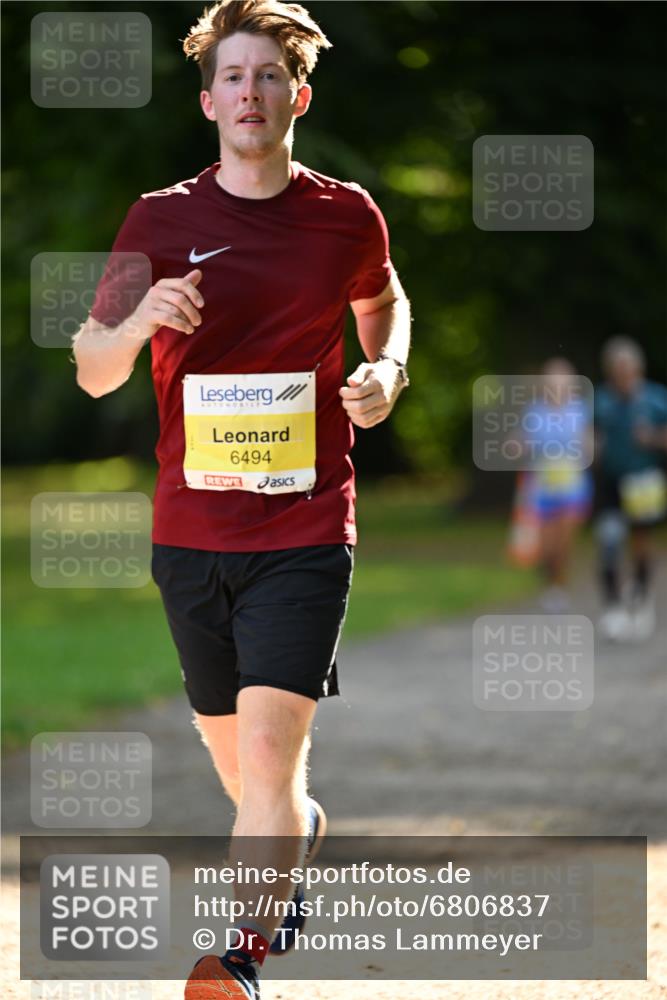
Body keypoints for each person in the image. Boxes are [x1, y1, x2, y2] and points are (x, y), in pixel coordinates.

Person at [73, 2, 411, 996]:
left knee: (266, 753)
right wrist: (139, 317)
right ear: (209, 101)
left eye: (269, 76)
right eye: (233, 76)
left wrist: (386, 368)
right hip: (190, 531)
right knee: (247, 775)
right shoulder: (158, 219)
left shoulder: (345, 215)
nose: (250, 92)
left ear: (297, 97)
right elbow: (92, 368)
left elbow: (383, 300)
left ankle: (242, 958)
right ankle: (295, 829)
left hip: (305, 524)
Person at [594, 337, 667, 641]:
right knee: (609, 541)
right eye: (617, 369)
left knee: (641, 541)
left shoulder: (656, 398)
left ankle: (641, 596)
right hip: (611, 482)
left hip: (644, 482)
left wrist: (653, 438)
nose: (623, 375)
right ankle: (612, 605)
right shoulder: (600, 400)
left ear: (638, 369)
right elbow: (590, 435)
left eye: (628, 369)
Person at [506, 358, 593, 612]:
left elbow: (588, 444)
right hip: (542, 485)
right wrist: (515, 445)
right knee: (546, 544)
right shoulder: (535, 410)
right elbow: (524, 438)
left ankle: (559, 586)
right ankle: (550, 583)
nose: (556, 384)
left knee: (563, 542)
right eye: (552, 380)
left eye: (561, 379)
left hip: (572, 485)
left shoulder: (580, 410)